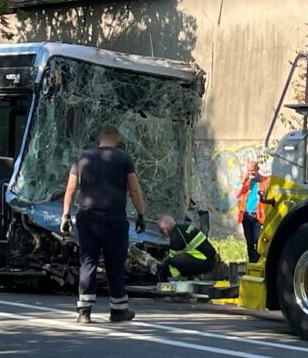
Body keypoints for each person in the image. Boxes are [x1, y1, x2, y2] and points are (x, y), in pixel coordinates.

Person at [60, 125, 147, 324]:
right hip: (114, 218)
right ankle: (118, 310)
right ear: (115, 138)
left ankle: (84, 312)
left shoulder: (83, 157)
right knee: (114, 263)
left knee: (88, 261)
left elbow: (70, 189)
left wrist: (65, 216)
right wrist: (141, 214)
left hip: (87, 217)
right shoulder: (124, 158)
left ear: (99, 138)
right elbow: (134, 190)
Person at [156, 215, 216, 282]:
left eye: (160, 230)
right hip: (210, 259)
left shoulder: (176, 238)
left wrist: (162, 269)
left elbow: (172, 261)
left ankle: (178, 280)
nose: (160, 233)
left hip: (205, 262)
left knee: (170, 262)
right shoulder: (184, 228)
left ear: (165, 229)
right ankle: (190, 276)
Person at [236, 160, 273, 263]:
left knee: (258, 240)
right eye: (249, 170)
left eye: (253, 170)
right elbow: (237, 194)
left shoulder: (264, 181)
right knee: (249, 242)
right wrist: (244, 182)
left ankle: (258, 262)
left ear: (257, 169)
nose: (251, 173)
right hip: (246, 216)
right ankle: (252, 262)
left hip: (258, 216)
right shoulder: (244, 181)